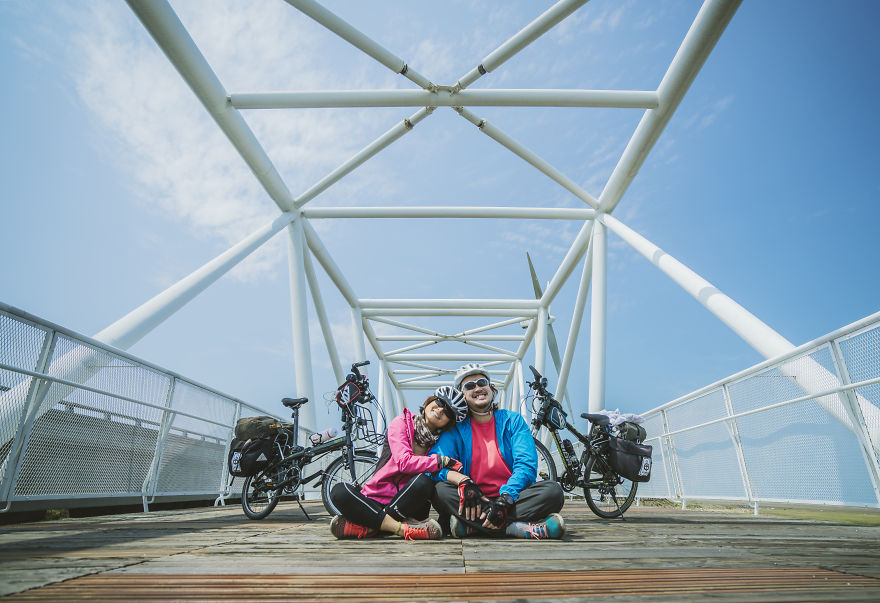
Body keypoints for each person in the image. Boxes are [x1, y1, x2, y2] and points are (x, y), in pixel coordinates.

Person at [430, 363, 566, 539]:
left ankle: (473, 527)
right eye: (469, 386)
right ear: (462, 396)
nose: (478, 388)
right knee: (441, 491)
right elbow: (435, 463)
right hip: (474, 500)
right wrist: (465, 483)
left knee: (553, 492)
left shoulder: (513, 421)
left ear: (491, 389)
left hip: (512, 497)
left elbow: (526, 465)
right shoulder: (456, 429)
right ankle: (514, 528)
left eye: (482, 382)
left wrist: (505, 499)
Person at [329, 386, 469, 540]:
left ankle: (368, 526)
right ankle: (401, 529)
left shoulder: (441, 442)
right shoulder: (402, 422)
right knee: (339, 491)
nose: (441, 410)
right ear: (431, 400)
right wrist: (440, 461)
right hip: (376, 498)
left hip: (408, 503)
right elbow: (404, 462)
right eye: (440, 402)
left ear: (450, 422)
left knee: (424, 482)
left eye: (448, 412)